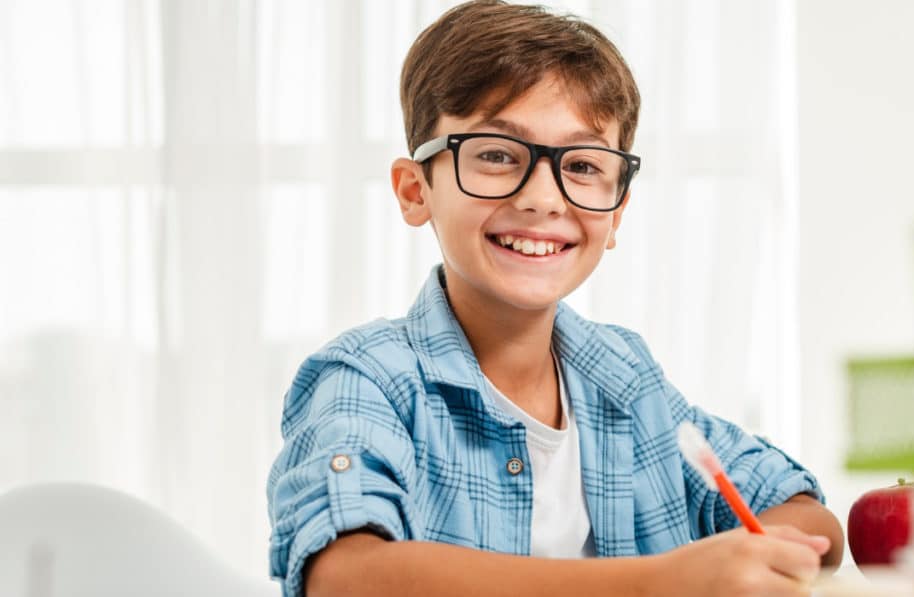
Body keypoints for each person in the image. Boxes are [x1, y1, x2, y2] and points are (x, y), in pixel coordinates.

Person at [266, 2, 844, 596]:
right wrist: (662, 582)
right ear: (416, 191)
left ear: (616, 213)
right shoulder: (368, 380)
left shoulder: (623, 378)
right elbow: (343, 576)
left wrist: (764, 558)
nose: (544, 198)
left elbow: (801, 510)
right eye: (495, 154)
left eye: (584, 164)